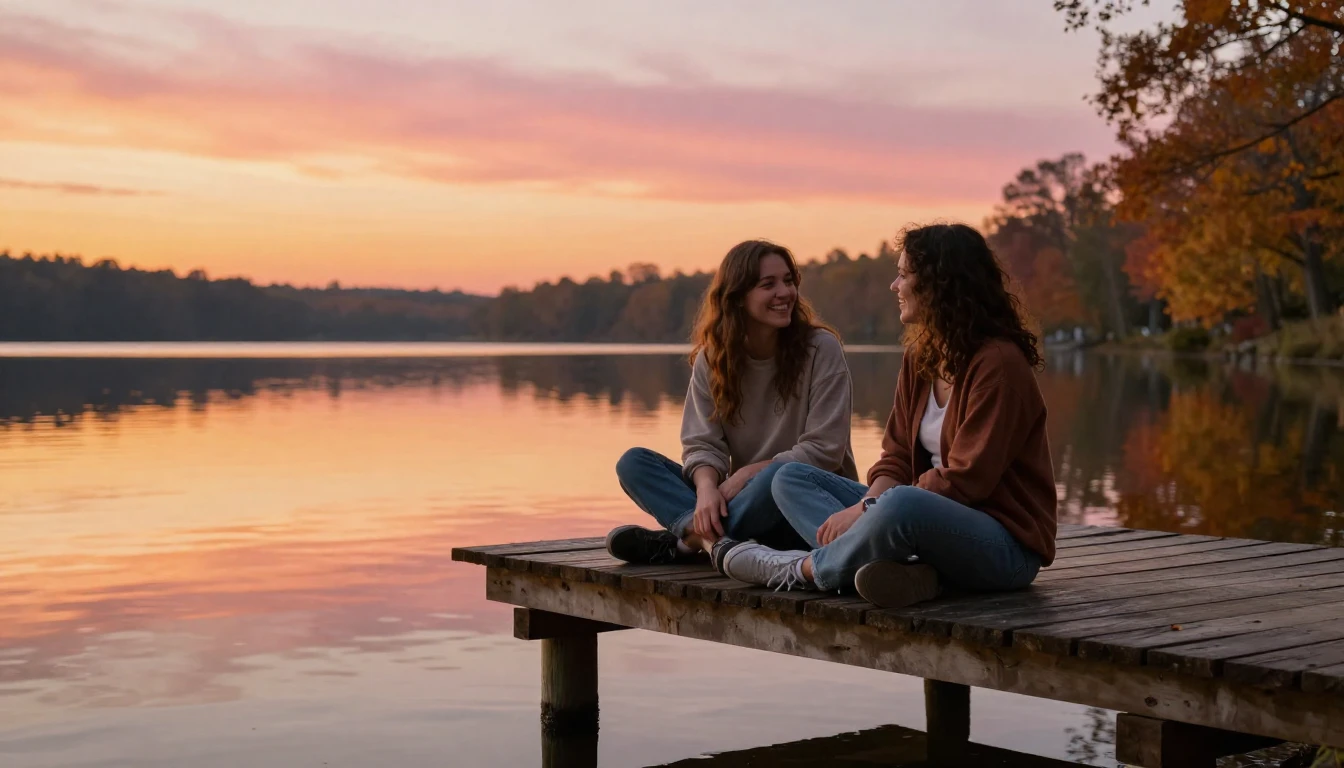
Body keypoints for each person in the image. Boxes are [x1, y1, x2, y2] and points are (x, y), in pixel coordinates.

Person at [713, 223, 1057, 609]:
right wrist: (869, 506)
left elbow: (966, 480)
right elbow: (894, 457)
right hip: (922, 530)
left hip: (1003, 547)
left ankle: (805, 570)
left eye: (905, 274)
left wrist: (868, 510)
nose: (895, 285)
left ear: (939, 284)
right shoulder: (921, 358)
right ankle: (903, 571)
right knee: (789, 478)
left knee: (902, 503)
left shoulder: (998, 364)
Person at [607, 240, 858, 564]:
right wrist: (707, 489)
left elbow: (824, 450)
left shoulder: (821, 349)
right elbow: (701, 444)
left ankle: (686, 544)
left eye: (788, 280)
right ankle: (706, 539)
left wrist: (746, 474)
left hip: (806, 506)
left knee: (779, 476)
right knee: (634, 463)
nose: (785, 292)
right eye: (768, 284)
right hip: (746, 506)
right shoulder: (713, 358)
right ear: (738, 297)